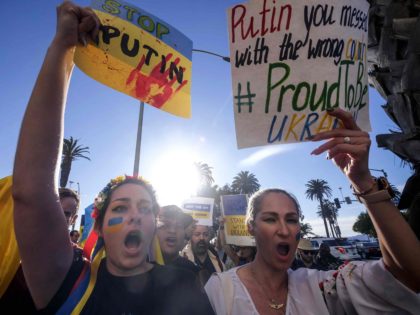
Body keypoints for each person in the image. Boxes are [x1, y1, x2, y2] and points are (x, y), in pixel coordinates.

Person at [11, 2, 214, 314]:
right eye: (120, 207)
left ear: (152, 225)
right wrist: (62, 48)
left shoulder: (185, 284)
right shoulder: (70, 283)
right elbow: (31, 191)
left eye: (144, 208)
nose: (134, 215)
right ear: (101, 226)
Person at [205, 109, 420, 314]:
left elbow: (409, 274)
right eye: (270, 219)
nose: (283, 230)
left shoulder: (322, 288)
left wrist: (363, 181)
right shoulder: (220, 291)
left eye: (291, 220)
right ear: (250, 227)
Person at [0, 186, 81, 314]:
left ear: (74, 219)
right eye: (55, 209)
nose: (57, 216)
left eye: (66, 213)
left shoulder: (77, 258)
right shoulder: (18, 241)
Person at [156, 205, 199, 274]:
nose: (172, 231)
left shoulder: (192, 271)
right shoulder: (139, 268)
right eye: (166, 225)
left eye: (179, 225)